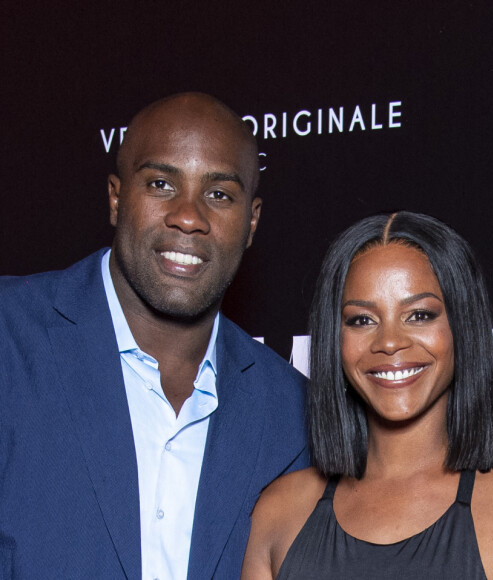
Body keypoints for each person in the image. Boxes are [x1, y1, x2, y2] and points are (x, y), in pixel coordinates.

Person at [0, 93, 308, 579]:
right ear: (116, 197)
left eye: (219, 194)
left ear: (251, 222)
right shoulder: (10, 337)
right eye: (162, 183)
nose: (188, 216)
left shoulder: (291, 412)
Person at [242, 212, 493, 579]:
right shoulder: (279, 512)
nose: (389, 342)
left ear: (462, 326)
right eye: (362, 320)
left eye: (419, 315)